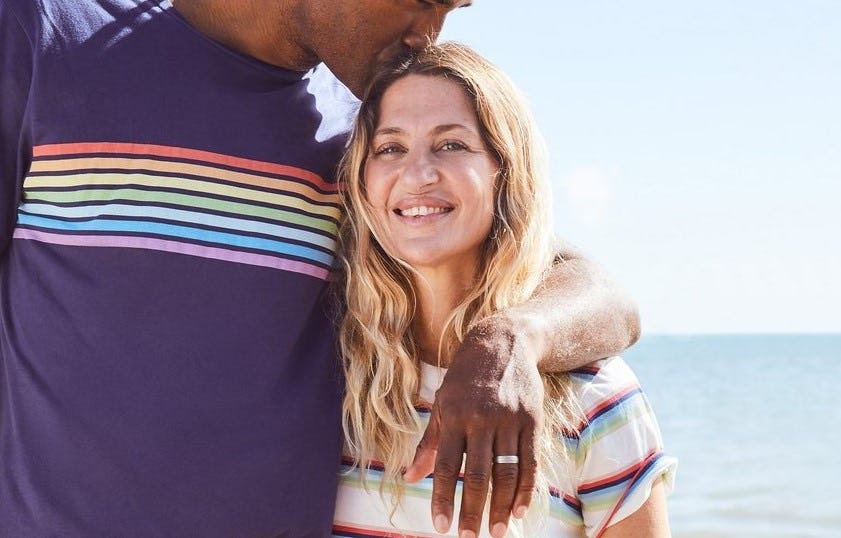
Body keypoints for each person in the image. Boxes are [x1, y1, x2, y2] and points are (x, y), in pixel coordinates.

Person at [0, 1, 640, 535]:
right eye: (424, 0)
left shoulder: (362, 129)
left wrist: (507, 340)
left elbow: (599, 292)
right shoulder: (46, 35)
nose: (428, 35)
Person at [333, 42, 677, 538]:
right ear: (362, 182)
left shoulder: (594, 398)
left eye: (451, 144)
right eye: (390, 148)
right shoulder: (335, 381)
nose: (418, 173)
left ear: (505, 172)